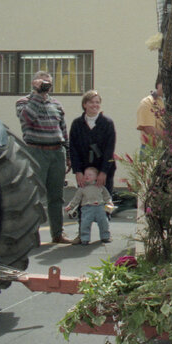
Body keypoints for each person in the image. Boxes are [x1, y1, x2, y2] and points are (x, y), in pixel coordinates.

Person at [16, 70, 72, 244]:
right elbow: (28, 119)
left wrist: (68, 155)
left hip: (57, 152)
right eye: (42, 82)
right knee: (35, 197)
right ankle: (33, 235)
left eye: (48, 83)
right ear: (34, 83)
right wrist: (38, 95)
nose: (45, 85)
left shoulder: (56, 104)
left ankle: (57, 234)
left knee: (56, 196)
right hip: (36, 152)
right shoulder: (24, 102)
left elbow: (63, 130)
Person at [69, 90, 117, 196]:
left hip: (103, 169)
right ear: (84, 104)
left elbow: (109, 150)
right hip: (84, 169)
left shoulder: (107, 123)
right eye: (91, 102)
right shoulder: (77, 124)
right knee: (85, 201)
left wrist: (103, 172)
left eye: (97, 102)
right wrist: (78, 172)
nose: (95, 105)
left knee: (104, 202)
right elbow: (73, 149)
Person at [64, 166, 114, 245]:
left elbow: (107, 196)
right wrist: (71, 206)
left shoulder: (100, 187)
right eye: (85, 174)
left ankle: (105, 236)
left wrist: (109, 202)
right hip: (87, 208)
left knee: (104, 222)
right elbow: (76, 199)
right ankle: (85, 238)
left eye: (90, 175)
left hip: (99, 207)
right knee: (85, 223)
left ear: (96, 177)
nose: (87, 176)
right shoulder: (82, 188)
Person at [136, 79, 165, 151]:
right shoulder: (147, 102)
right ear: (158, 85)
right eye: (164, 84)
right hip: (149, 150)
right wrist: (169, 138)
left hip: (164, 149)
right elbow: (148, 128)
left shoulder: (164, 102)